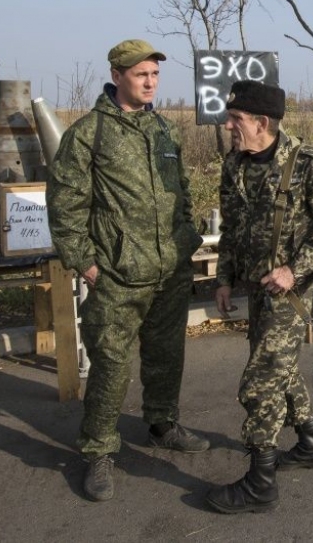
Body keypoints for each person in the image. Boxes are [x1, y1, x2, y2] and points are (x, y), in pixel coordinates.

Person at [46, 39, 208, 503]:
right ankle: (98, 450)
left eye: (155, 75)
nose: (151, 82)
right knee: (112, 364)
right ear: (117, 75)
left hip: (168, 270)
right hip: (117, 275)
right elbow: (65, 205)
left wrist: (186, 240)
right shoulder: (89, 134)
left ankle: (161, 424)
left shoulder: (164, 130)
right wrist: (86, 263)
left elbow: (183, 192)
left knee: (166, 355)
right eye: (142, 75)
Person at [206, 80, 313, 514]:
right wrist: (224, 278)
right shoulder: (234, 165)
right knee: (279, 368)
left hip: (293, 294)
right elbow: (230, 229)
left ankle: (260, 483)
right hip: (256, 290)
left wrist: (295, 269)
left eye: (236, 119)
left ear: (262, 123)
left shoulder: (309, 165)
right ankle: (310, 443)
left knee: (261, 381)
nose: (229, 126)